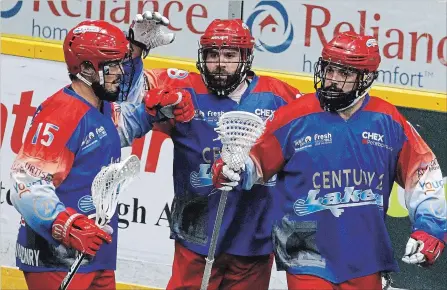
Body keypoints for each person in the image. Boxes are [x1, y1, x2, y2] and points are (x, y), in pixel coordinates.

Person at [212, 31, 446, 289]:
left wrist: (430, 229)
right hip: (305, 249)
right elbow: (252, 163)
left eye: (344, 74)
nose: (332, 80)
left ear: (366, 78)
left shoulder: (387, 120)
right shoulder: (293, 116)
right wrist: (230, 169)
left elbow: (425, 175)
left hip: (364, 254)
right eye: (329, 70)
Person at [10, 19, 194, 290]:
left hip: (94, 252)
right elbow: (25, 183)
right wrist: (67, 225)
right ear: (85, 68)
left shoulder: (101, 106)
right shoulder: (61, 113)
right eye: (112, 66)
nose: (120, 72)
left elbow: (120, 128)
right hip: (57, 257)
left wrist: (154, 110)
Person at [124, 12, 302, 289]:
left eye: (230, 55)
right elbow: (125, 95)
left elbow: (312, 133)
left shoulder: (278, 96)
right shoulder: (183, 88)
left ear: (246, 57)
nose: (220, 64)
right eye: (212, 55)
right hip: (197, 231)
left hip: (252, 236)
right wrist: (135, 48)